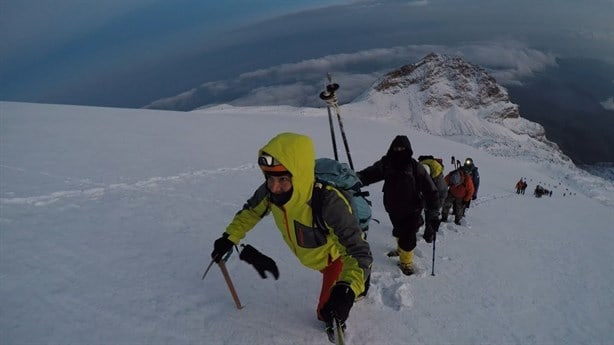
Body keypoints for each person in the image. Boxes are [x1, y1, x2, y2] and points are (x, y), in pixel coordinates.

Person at [209, 132, 372, 328]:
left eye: (283, 179)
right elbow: (251, 212)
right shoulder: (270, 192)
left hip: (335, 259)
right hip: (313, 255)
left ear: (299, 175)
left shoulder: (329, 202)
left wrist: (346, 290)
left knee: (328, 313)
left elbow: (357, 252)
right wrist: (229, 237)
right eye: (270, 178)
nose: (275, 187)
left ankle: (358, 284)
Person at [357, 135, 440, 275]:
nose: (399, 150)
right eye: (396, 147)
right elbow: (369, 174)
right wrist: (354, 179)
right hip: (392, 207)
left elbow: (430, 190)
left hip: (412, 208)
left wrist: (433, 212)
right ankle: (401, 249)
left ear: (408, 149)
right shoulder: (387, 163)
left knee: (408, 236)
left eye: (402, 148)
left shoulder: (415, 167)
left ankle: (406, 263)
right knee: (398, 230)